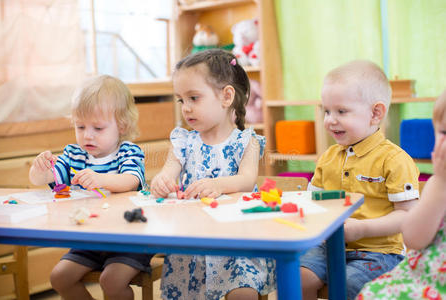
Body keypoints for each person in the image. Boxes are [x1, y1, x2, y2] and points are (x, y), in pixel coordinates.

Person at [150, 49, 275, 300]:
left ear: (226, 96)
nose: (186, 108)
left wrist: (216, 184)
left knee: (243, 294)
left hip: (236, 244)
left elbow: (246, 179)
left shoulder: (246, 141)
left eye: (194, 98)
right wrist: (161, 182)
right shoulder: (183, 141)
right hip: (192, 246)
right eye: (181, 100)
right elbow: (166, 174)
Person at [300, 60, 420, 300]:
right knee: (297, 276)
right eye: (327, 111)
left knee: (347, 285)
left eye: (341, 111)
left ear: (376, 113)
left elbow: (408, 216)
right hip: (328, 245)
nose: (330, 120)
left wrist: (361, 229)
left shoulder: (394, 160)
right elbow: (313, 203)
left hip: (380, 252)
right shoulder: (328, 157)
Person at [29, 75, 152, 300]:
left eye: (97, 127)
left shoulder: (128, 152)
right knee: (59, 277)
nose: (87, 135)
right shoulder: (74, 154)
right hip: (90, 239)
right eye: (80, 126)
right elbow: (54, 179)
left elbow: (131, 180)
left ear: (121, 126)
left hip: (129, 239)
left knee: (111, 281)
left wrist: (101, 179)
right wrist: (40, 172)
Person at [357, 90, 446, 299]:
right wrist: (441, 184)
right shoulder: (437, 185)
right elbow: (413, 239)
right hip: (423, 278)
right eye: (444, 133)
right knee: (371, 293)